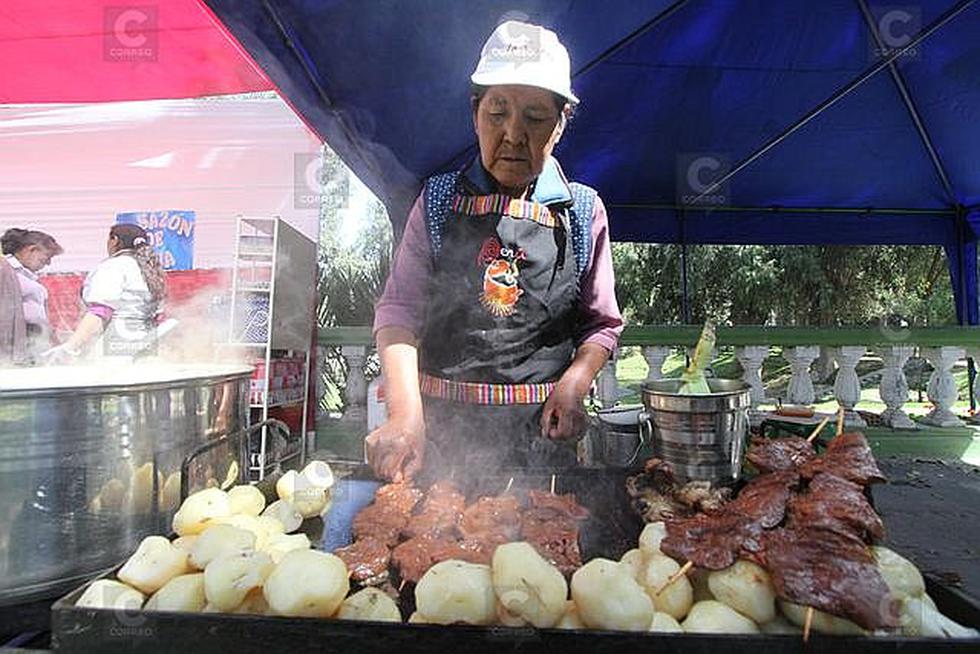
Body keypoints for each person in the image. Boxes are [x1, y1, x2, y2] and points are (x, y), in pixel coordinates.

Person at [366, 21, 623, 482]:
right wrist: (405, 415)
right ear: (475, 114)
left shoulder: (583, 212)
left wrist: (575, 382)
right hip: (441, 442)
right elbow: (398, 313)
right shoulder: (439, 201)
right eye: (497, 113)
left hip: (541, 445)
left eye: (535, 117)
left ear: (561, 123)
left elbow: (602, 326)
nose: (513, 134)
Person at [50, 223, 166, 358]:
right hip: (146, 347)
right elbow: (159, 318)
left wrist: (71, 346)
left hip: (113, 348)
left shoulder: (113, 267)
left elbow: (101, 311)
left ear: (114, 240)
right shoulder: (152, 272)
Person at [1, 228, 63, 359]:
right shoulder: (4, 269)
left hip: (32, 339)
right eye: (47, 257)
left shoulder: (27, 275)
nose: (48, 263)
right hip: (14, 340)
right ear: (32, 250)